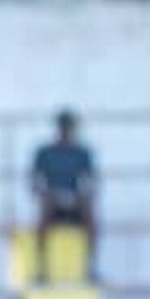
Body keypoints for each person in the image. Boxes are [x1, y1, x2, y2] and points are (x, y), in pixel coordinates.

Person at [31, 108, 99, 283]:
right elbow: (34, 181)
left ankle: (90, 269)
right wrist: (47, 195)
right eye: (64, 127)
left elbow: (91, 181)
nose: (67, 131)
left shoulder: (82, 153)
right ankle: (41, 269)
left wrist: (81, 197)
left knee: (90, 212)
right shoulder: (45, 152)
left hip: (75, 203)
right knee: (45, 207)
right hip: (52, 203)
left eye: (70, 127)